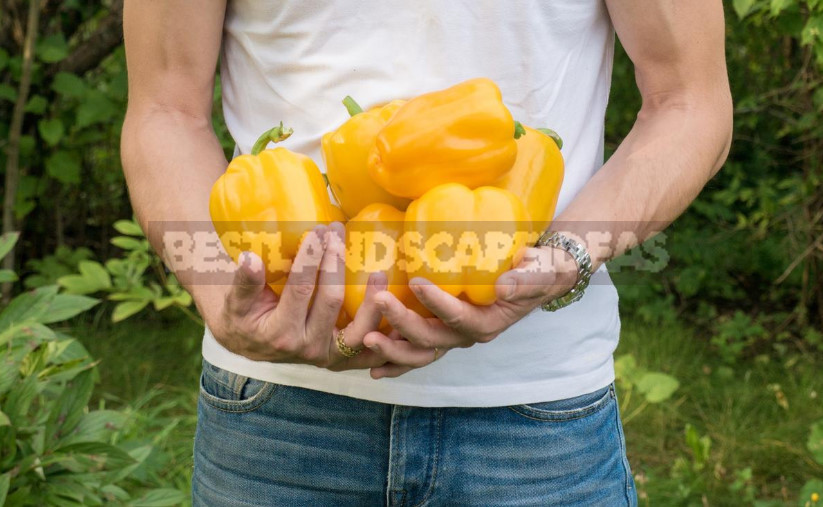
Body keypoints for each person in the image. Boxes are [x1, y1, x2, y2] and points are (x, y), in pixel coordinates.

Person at [121, 1, 732, 505]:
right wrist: (217, 292)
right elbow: (163, 109)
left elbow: (690, 102)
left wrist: (567, 256)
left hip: (537, 414)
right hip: (278, 410)